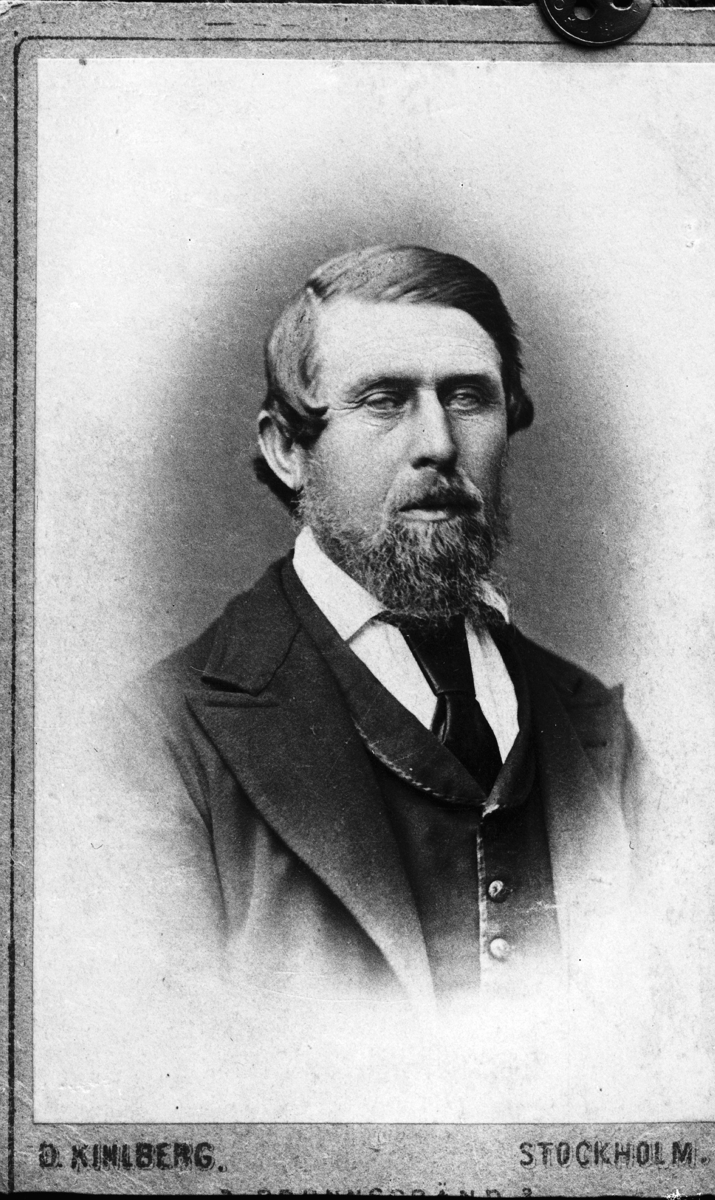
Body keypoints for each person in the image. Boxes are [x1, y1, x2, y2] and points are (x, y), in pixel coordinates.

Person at [107, 244, 664, 1032]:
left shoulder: (595, 729)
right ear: (287, 450)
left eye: (468, 397)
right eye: (384, 399)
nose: (438, 442)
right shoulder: (156, 742)